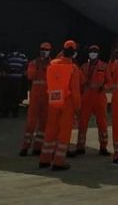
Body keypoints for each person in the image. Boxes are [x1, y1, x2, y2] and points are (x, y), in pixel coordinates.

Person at [39, 40, 81, 171]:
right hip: (66, 102)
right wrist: (77, 108)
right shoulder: (73, 69)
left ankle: (44, 159)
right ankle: (58, 161)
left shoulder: (52, 64)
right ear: (74, 53)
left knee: (50, 130)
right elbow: (75, 91)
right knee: (64, 132)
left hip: (53, 100)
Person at [76, 44, 110, 156]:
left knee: (102, 123)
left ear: (98, 53)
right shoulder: (84, 66)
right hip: (86, 97)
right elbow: (79, 83)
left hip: (99, 96)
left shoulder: (104, 66)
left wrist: (104, 87)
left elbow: (110, 82)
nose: (93, 53)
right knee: (82, 122)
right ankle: (80, 146)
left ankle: (103, 147)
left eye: (95, 51)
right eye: (91, 51)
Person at [19, 42, 52, 156]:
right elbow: (30, 76)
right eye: (43, 49)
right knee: (31, 123)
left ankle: (38, 147)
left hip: (46, 96)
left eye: (47, 50)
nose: (44, 51)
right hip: (35, 96)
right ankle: (25, 147)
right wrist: (39, 66)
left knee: (44, 123)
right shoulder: (34, 63)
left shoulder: (52, 64)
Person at [4, 44, 28, 116]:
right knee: (11, 95)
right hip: (11, 78)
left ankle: (14, 111)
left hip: (17, 78)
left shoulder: (9, 56)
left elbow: (26, 66)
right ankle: (12, 111)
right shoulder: (20, 56)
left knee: (15, 95)